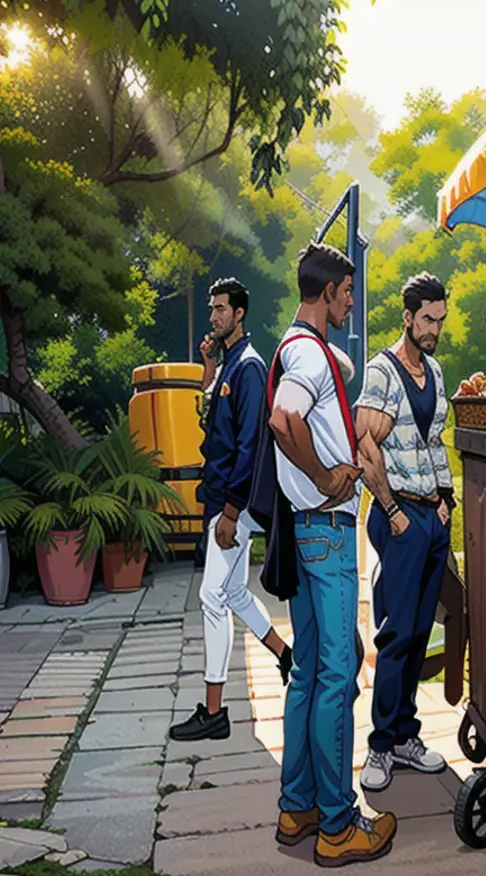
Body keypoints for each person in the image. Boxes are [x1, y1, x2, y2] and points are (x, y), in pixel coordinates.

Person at [268, 243, 396, 867]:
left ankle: (298, 807)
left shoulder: (300, 348)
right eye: (346, 291)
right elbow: (282, 419)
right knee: (338, 677)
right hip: (326, 528)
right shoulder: (309, 358)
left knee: (308, 673)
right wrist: (323, 474)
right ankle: (340, 825)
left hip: (303, 529)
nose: (351, 299)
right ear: (325, 292)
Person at [170, 278, 292, 743]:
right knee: (235, 594)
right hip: (219, 496)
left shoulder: (250, 368)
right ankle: (287, 657)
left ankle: (215, 711)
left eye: (221, 309)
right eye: (212, 308)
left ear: (240, 314)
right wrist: (206, 366)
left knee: (210, 598)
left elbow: (250, 444)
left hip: (231, 503)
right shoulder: (226, 366)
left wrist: (232, 511)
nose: (214, 316)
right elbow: (211, 422)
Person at [354, 273, 453, 792]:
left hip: (430, 517)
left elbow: (435, 443)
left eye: (440, 319)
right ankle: (379, 746)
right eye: (427, 319)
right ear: (408, 316)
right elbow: (365, 447)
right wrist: (391, 509)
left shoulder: (434, 369)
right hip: (397, 518)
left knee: (419, 635)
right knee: (394, 635)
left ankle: (406, 736)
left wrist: (445, 501)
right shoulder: (383, 372)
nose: (434, 328)